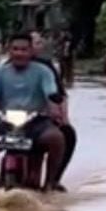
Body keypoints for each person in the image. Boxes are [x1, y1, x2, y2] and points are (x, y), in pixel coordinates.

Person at [0, 32, 66, 192]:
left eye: (23, 50)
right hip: (5, 122)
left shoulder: (44, 72)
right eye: (15, 49)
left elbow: (50, 94)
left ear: (31, 51)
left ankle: (50, 184)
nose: (19, 53)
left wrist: (55, 109)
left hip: (36, 122)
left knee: (56, 138)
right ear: (9, 51)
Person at [30, 31, 76, 186]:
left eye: (37, 43)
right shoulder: (7, 68)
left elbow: (59, 95)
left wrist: (64, 118)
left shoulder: (46, 67)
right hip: (13, 119)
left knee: (67, 134)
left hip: (42, 118)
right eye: (33, 42)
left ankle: (53, 181)